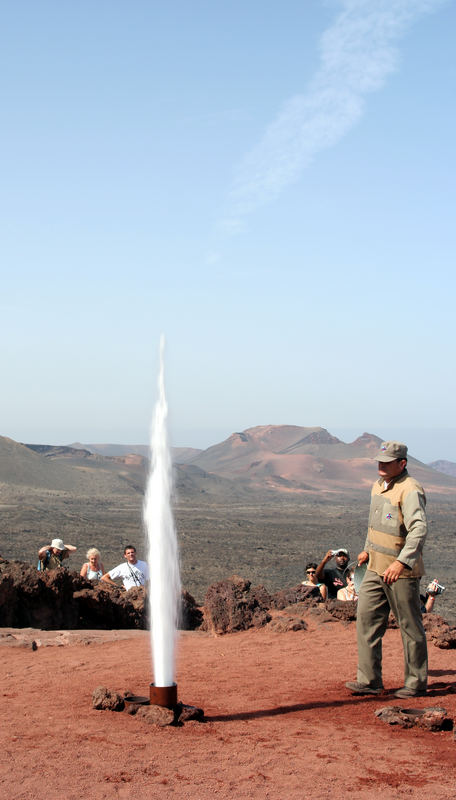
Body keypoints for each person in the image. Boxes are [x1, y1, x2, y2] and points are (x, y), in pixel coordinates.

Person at [346, 441, 428, 699]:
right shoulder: (378, 487)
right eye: (380, 461)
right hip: (374, 567)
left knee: (410, 627)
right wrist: (366, 549)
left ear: (402, 463)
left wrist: (402, 562)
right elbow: (376, 525)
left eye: (388, 461)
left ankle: (415, 683)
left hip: (400, 572)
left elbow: (418, 529)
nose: (381, 465)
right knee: (367, 621)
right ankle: (369, 680)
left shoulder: (410, 489)